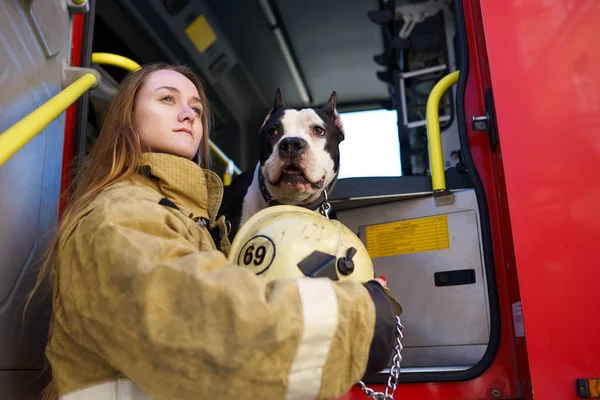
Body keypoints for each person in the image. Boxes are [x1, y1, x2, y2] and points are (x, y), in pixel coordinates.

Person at [32, 62, 401, 400]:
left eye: (196, 108)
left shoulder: (191, 218)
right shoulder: (120, 216)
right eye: (167, 99)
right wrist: (362, 314)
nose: (187, 114)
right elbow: (206, 324)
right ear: (125, 118)